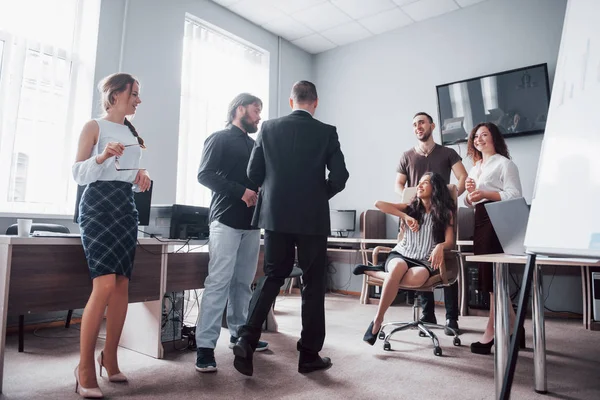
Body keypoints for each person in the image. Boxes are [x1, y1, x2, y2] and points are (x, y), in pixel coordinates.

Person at [232, 81, 349, 376]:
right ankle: (309, 355)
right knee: (313, 283)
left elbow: (252, 173)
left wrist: (274, 190)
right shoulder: (326, 131)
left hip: (275, 216)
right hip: (311, 219)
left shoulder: (268, 128)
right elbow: (340, 176)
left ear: (291, 101)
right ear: (315, 102)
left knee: (273, 275)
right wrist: (316, 194)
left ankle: (246, 340)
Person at [72, 73, 151, 398]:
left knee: (121, 287)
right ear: (117, 93)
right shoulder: (94, 126)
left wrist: (141, 177)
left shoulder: (133, 133)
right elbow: (78, 174)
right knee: (104, 284)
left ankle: (110, 358)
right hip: (97, 207)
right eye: (135, 93)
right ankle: (84, 367)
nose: (138, 100)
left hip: (124, 207)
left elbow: (127, 176)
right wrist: (102, 155)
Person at [194, 93, 269, 373]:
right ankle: (204, 347)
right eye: (255, 110)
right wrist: (242, 192)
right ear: (240, 109)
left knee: (243, 283)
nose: (259, 116)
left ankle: (239, 335)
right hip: (225, 220)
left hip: (252, 224)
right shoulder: (219, 138)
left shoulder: (255, 144)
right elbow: (205, 174)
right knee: (219, 282)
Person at [355, 173, 456, 345]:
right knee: (397, 269)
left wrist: (440, 246)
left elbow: (450, 241)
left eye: (425, 183)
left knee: (416, 279)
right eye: (419, 183)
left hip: (424, 260)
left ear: (435, 188)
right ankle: (377, 320)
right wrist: (405, 216)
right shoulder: (410, 208)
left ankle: (373, 270)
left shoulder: (445, 213)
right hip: (401, 254)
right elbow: (378, 204)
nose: (419, 186)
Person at [395, 112, 467, 335]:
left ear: (432, 126)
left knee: (445, 261)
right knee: (420, 259)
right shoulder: (407, 156)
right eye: (414, 124)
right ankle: (427, 314)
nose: (418, 127)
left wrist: (450, 200)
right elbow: (399, 184)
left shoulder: (448, 153)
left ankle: (451, 317)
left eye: (422, 123)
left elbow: (462, 178)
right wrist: (410, 201)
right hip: (416, 217)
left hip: (440, 217)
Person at [463, 122, 524, 355]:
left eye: (484, 135)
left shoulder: (505, 164)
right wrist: (470, 194)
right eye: (476, 136)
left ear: (494, 138)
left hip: (497, 219)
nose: (479, 139)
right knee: (489, 277)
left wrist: (485, 193)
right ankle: (514, 328)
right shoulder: (476, 166)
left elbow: (515, 195)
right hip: (480, 218)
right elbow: (469, 201)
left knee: (491, 279)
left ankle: (491, 331)